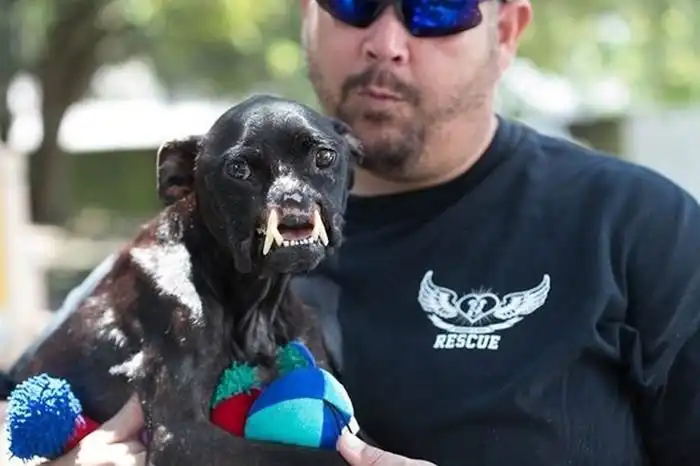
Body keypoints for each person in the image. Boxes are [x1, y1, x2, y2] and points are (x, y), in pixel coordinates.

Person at [4, 0, 700, 464]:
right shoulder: (185, 247)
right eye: (354, 2)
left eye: (438, 8)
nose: (386, 43)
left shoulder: (638, 227)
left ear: (507, 31)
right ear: (309, 15)